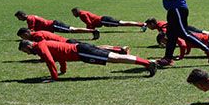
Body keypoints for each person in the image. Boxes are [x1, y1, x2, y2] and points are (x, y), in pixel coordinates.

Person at [18, 40, 156, 81]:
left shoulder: (41, 46)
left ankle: (147, 63)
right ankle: (147, 63)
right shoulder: (41, 46)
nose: (28, 54)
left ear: (28, 46)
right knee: (114, 58)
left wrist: (54, 77)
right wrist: (62, 71)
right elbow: (58, 56)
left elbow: (49, 60)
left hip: (82, 51)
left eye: (26, 51)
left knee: (115, 59)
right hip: (81, 50)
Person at [156, 0, 209, 67]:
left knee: (183, 33)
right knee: (171, 35)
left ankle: (208, 50)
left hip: (175, 9)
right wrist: (180, 0)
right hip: (179, 9)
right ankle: (167, 58)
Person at [17, 28, 130, 54]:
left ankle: (120, 50)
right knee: (95, 47)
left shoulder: (37, 36)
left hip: (67, 44)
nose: (24, 39)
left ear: (26, 33)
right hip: (67, 41)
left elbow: (44, 48)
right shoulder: (38, 33)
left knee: (95, 49)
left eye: (23, 37)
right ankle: (119, 49)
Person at [145, 17, 209, 48]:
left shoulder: (161, 27)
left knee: (207, 34)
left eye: (149, 25)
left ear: (152, 23)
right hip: (184, 28)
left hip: (186, 29)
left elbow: (167, 34)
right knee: (207, 33)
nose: (148, 28)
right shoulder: (159, 24)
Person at [14, 10, 99, 40]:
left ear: (22, 15)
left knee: (72, 30)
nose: (19, 19)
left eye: (19, 17)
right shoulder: (31, 16)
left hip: (53, 25)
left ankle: (93, 31)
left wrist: (25, 37)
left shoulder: (29, 19)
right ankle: (93, 31)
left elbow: (31, 31)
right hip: (52, 27)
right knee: (72, 30)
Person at [71, 7, 147, 31]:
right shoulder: (82, 13)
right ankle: (141, 25)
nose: (73, 15)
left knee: (122, 23)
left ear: (76, 11)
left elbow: (89, 23)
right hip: (104, 20)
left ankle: (141, 24)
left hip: (104, 20)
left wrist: (88, 30)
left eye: (73, 13)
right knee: (122, 23)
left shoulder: (82, 14)